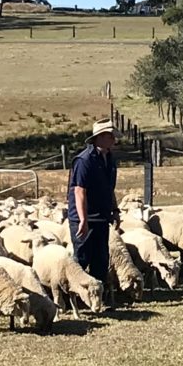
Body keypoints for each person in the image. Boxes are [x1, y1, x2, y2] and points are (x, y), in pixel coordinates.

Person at [67, 119, 119, 285]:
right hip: (85, 217)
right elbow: (79, 190)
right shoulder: (84, 160)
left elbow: (109, 188)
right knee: (82, 257)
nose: (113, 140)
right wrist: (83, 220)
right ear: (100, 137)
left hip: (102, 217)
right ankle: (77, 295)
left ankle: (98, 296)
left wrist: (115, 210)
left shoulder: (109, 158)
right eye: (110, 136)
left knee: (101, 259)